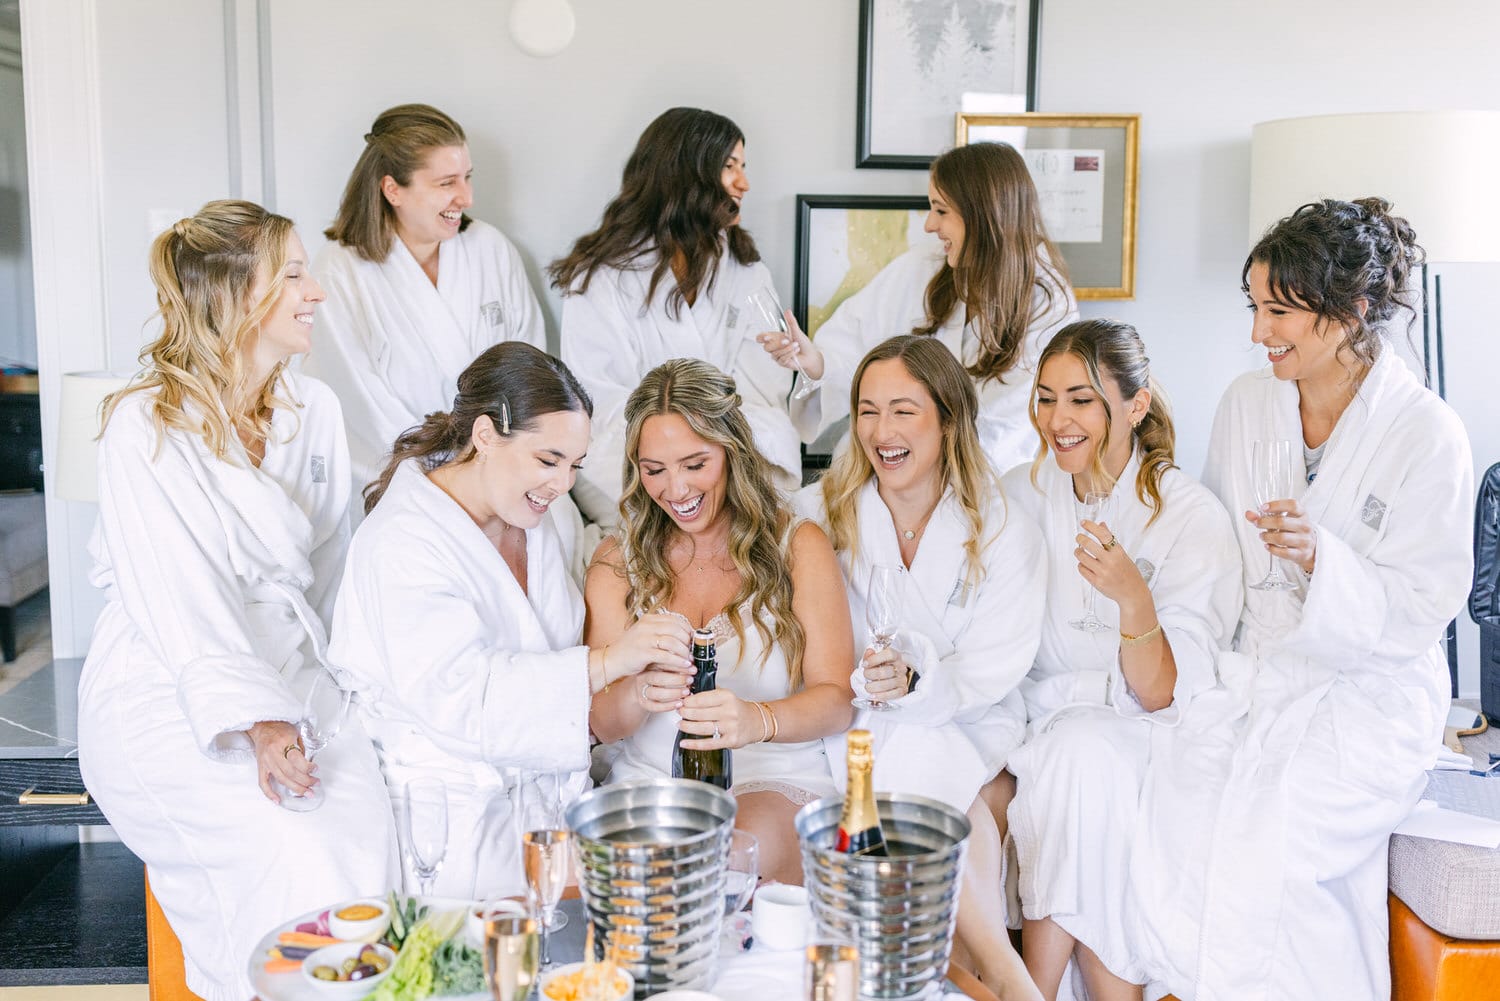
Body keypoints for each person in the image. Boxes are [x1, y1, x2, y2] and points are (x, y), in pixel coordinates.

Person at [1130, 199, 1475, 1001]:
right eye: (1254, 306)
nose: (1259, 332)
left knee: (1273, 839)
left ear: (1352, 310)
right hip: (1259, 666)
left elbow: (1425, 604)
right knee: (1179, 803)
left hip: (1370, 691)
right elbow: (1216, 554)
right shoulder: (1248, 405)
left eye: (1279, 311)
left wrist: (1327, 561)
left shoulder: (1428, 435)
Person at [76, 201, 397, 1001]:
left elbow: (331, 574)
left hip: (289, 662)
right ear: (232, 294)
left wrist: (343, 690)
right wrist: (255, 717)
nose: (316, 291)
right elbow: (178, 595)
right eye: (292, 274)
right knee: (293, 850)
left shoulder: (312, 411)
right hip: (169, 679)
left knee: (373, 813)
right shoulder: (144, 425)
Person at [328, 341, 691, 898]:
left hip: (549, 813)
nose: (563, 482)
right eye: (548, 460)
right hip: (450, 828)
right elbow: (464, 699)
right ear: (484, 435)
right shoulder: (402, 543)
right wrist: (610, 661)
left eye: (575, 465)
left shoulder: (547, 520)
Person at [794, 335, 1045, 998]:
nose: (881, 431)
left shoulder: (1003, 527)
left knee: (923, 748)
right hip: (858, 722)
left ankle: (987, 964)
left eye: (904, 410)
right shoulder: (821, 513)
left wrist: (921, 681)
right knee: (906, 754)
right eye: (867, 410)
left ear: (948, 419)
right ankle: (996, 967)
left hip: (973, 719)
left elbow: (996, 664)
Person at [997, 320, 1241, 1001]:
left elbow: (1166, 695)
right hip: (1041, 726)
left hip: (1151, 736)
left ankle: (1032, 988)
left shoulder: (1191, 517)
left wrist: (1136, 602)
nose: (1058, 419)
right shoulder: (1019, 496)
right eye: (1046, 398)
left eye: (1080, 398)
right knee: (1076, 756)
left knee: (1085, 759)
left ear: (1135, 404)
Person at [586, 358, 854, 884]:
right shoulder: (617, 564)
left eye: (694, 463)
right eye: (654, 469)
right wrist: (636, 694)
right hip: (649, 784)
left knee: (720, 859)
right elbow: (596, 722)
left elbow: (837, 700)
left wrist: (757, 719)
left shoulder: (797, 546)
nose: (675, 489)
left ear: (731, 452)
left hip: (769, 779)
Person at [302, 105, 571, 534]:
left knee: (555, 538)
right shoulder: (341, 270)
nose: (465, 198)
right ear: (393, 189)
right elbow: (359, 401)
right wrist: (453, 474)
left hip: (505, 466)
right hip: (398, 473)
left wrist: (496, 465)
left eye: (467, 177)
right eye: (447, 183)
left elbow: (529, 369)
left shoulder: (490, 249)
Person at [764, 141, 1078, 476]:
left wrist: (925, 462)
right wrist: (816, 362)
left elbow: (1010, 424)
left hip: (989, 480)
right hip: (898, 467)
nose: (929, 225)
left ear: (983, 215)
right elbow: (854, 342)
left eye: (941, 211)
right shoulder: (921, 268)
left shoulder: (1047, 303)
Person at [552, 107, 801, 525]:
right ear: (688, 174)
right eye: (729, 167)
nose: (744, 183)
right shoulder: (600, 278)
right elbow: (594, 399)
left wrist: (706, 451)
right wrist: (676, 452)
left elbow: (765, 393)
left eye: (743, 166)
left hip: (733, 464)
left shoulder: (746, 271)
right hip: (633, 468)